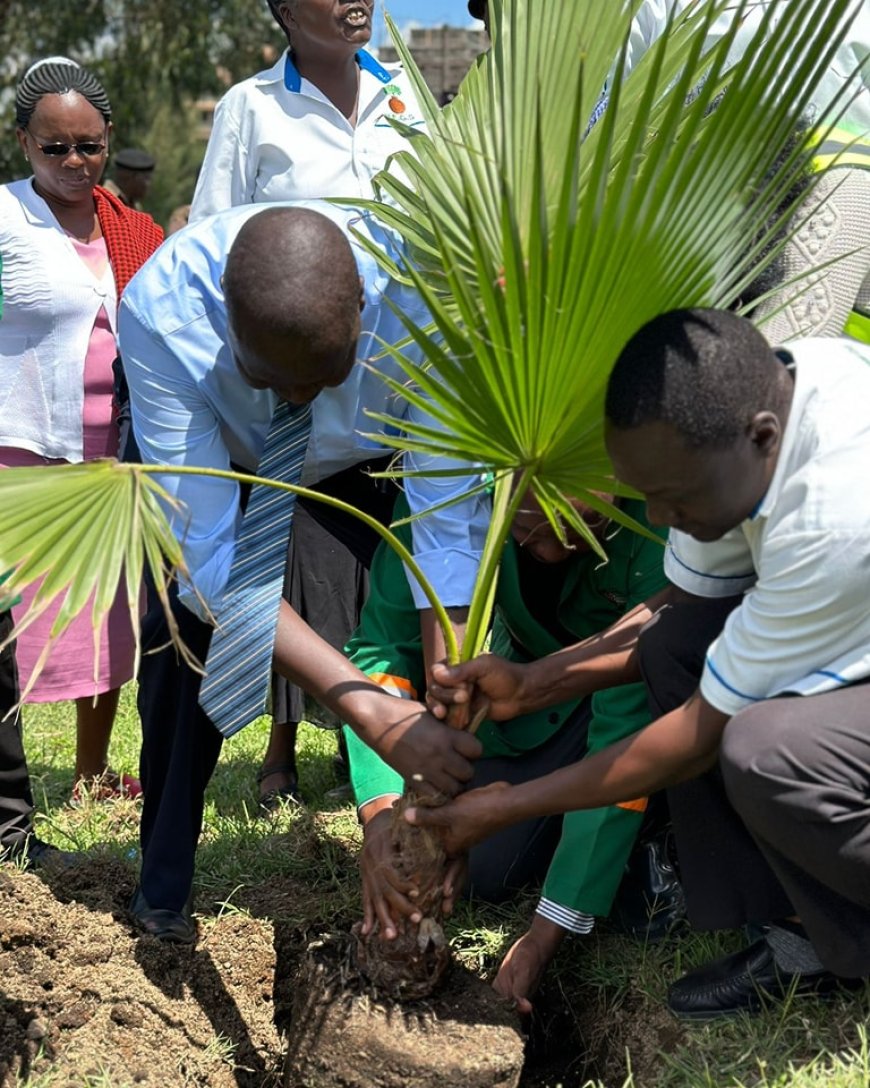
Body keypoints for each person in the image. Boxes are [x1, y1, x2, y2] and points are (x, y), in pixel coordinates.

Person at [411, 309, 870, 1017]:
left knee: (767, 752)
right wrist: (535, 683)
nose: (658, 518)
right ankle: (800, 934)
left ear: (762, 439)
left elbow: (694, 737)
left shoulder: (834, 514)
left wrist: (501, 808)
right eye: (647, 495)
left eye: (675, 498)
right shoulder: (770, 393)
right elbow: (676, 609)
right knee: (674, 646)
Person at [119, 201, 486, 944]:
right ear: (225, 317)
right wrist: (375, 714)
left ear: (362, 307)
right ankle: (160, 890)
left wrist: (438, 717)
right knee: (180, 641)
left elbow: (446, 524)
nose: (295, 397)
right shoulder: (161, 311)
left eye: (319, 375)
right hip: (231, 458)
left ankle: (427, 855)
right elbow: (211, 564)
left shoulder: (425, 297)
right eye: (271, 378)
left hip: (363, 457)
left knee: (418, 635)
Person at [190, 0, 427, 811]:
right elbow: (220, 242)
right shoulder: (253, 108)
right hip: (300, 382)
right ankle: (280, 752)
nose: (357, 0)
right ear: (286, 9)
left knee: (388, 564)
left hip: (398, 381)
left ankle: (380, 741)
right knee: (296, 554)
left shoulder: (410, 99)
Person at [344, 487, 670, 1013]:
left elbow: (627, 727)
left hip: (618, 708)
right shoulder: (445, 483)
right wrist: (381, 812)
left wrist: (545, 935)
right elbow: (383, 649)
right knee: (488, 872)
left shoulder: (657, 510)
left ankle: (659, 833)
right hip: (521, 709)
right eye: (525, 531)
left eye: (575, 528)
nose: (544, 550)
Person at [0, 58, 163, 801]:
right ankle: (10, 785)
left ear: (109, 142)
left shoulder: (135, 230)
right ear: (23, 143)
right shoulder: (5, 216)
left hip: (115, 453)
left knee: (107, 614)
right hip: (21, 449)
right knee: (15, 622)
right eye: (54, 146)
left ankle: (91, 773)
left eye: (89, 146)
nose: (74, 161)